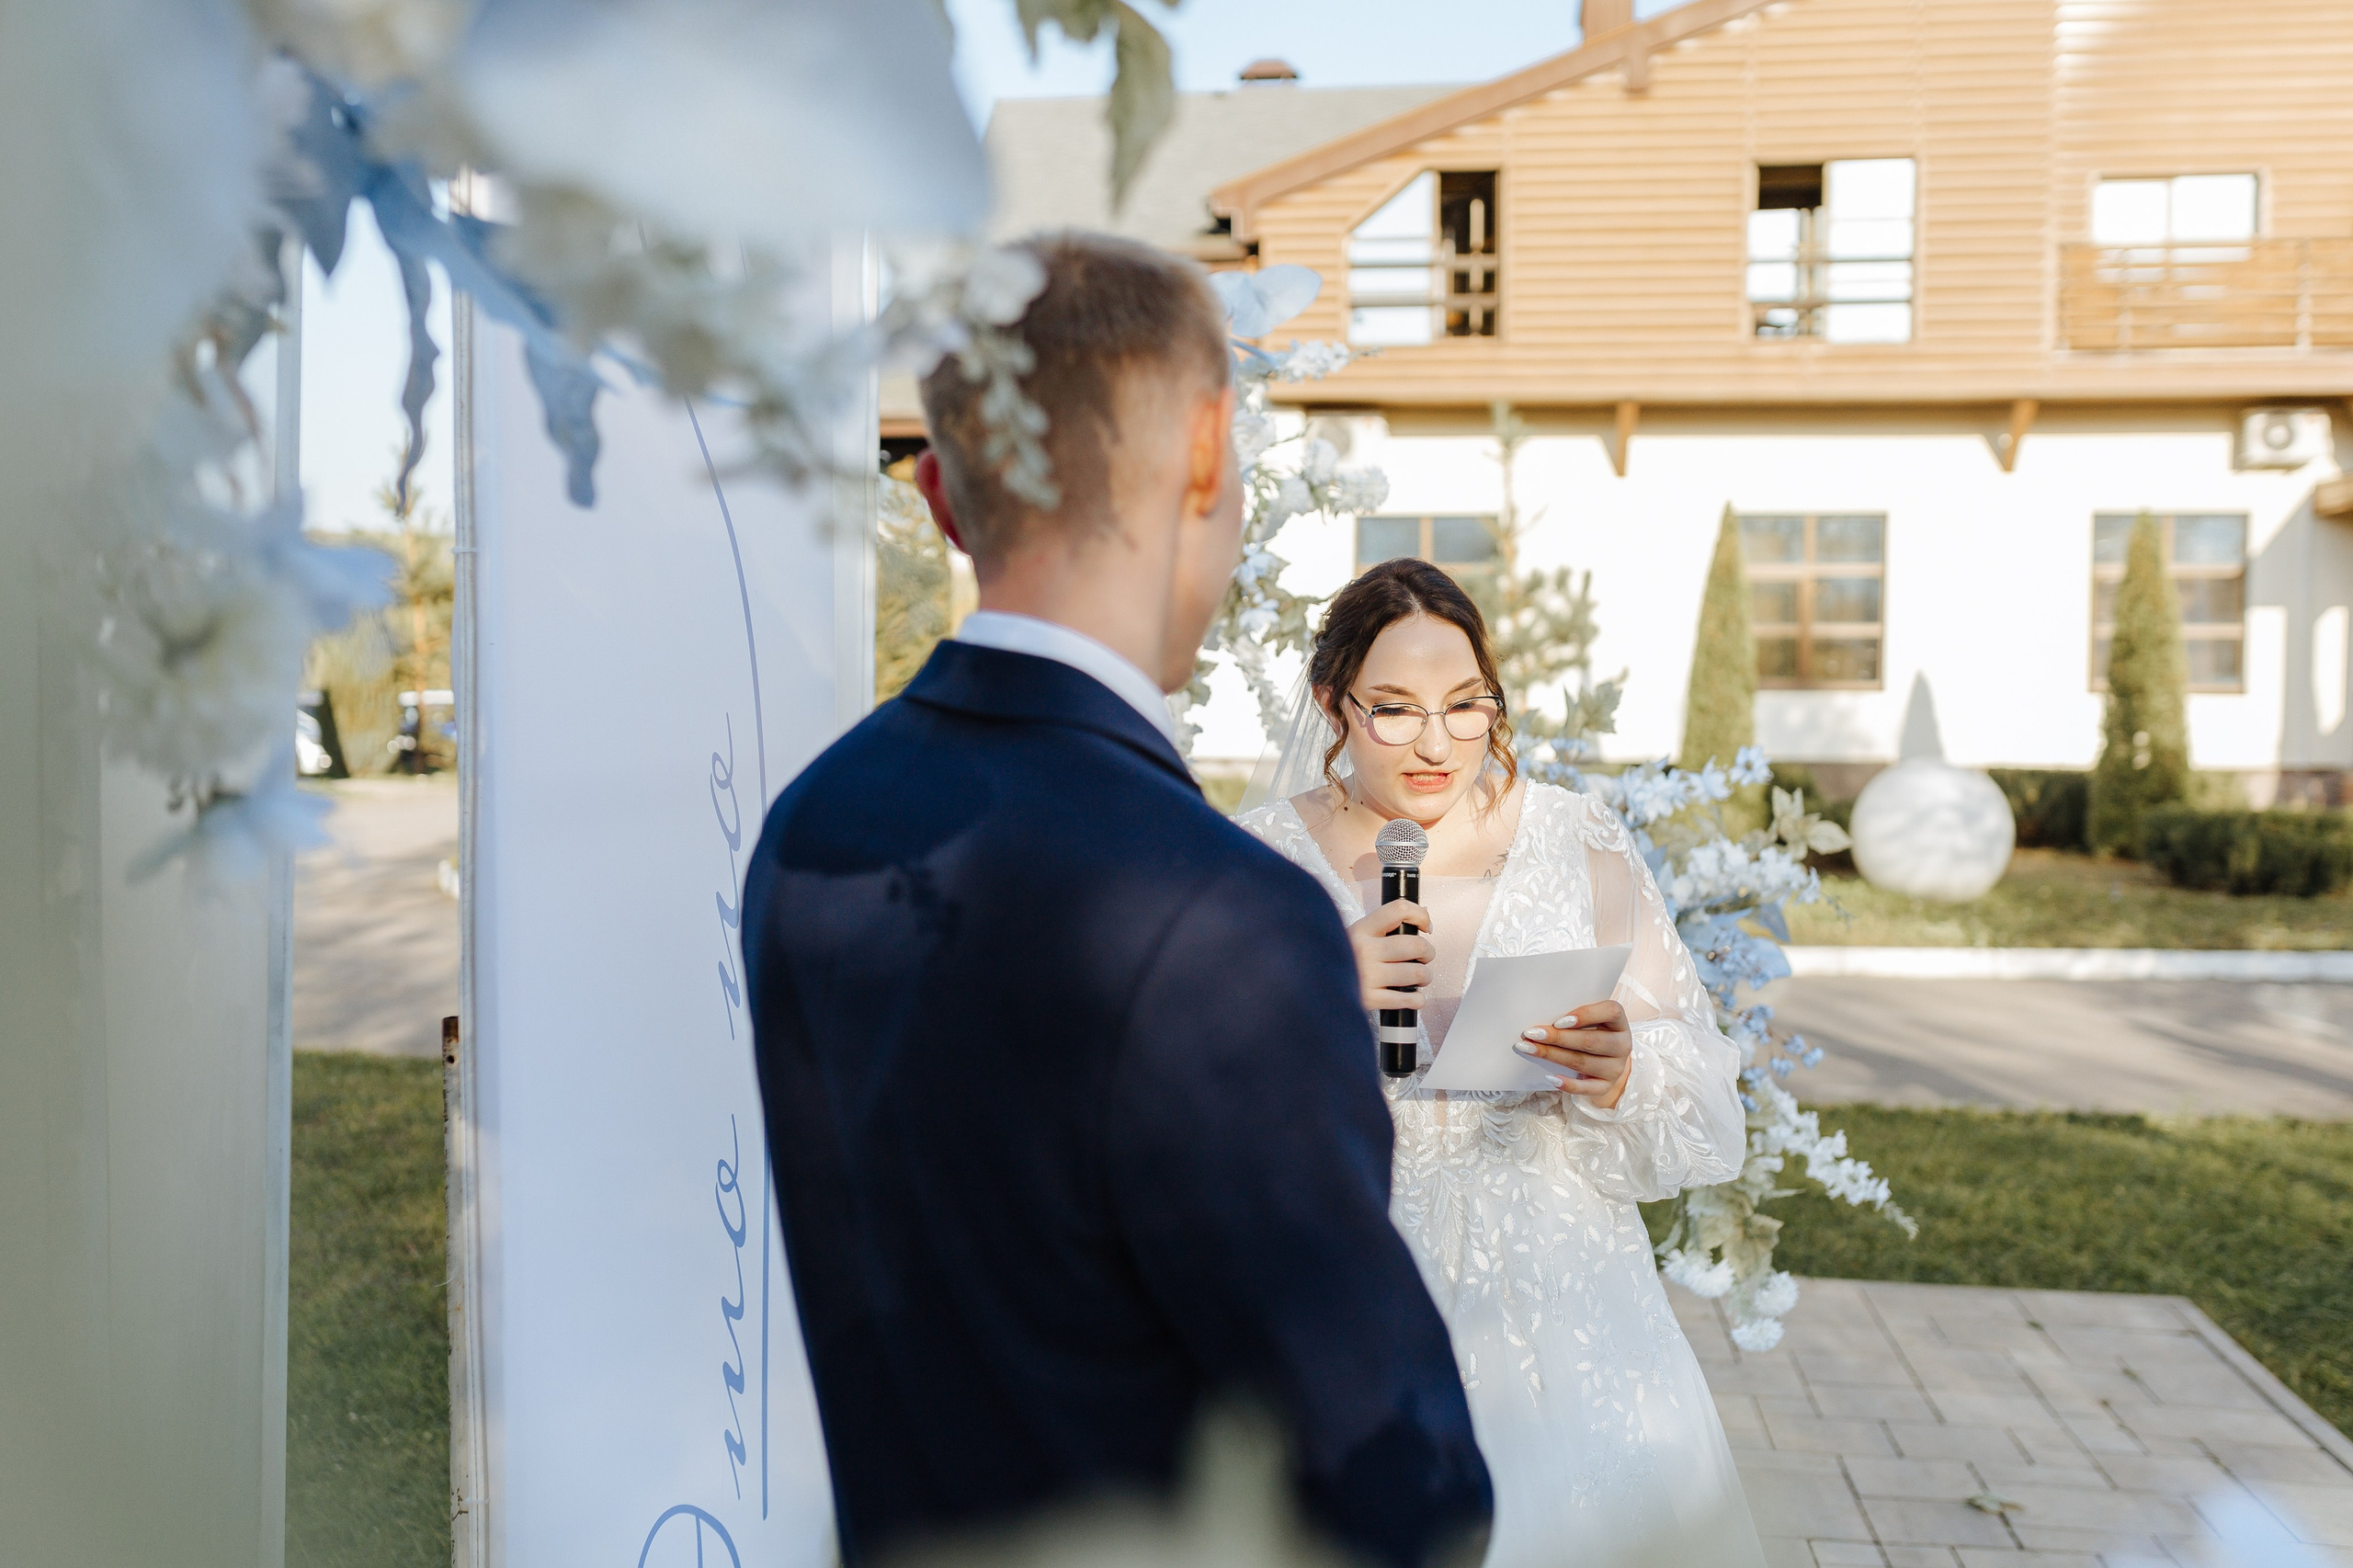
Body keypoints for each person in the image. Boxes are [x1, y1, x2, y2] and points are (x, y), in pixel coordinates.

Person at [741, 233, 1492, 1567]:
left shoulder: (814, 824)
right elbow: (1397, 1481)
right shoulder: (1222, 919)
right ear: (1208, 450)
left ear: (939, 497)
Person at [1235, 557, 1768, 1568]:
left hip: (1569, 1313)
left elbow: (1698, 1076)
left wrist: (1623, 1069)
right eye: (1392, 709)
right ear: (1330, 704)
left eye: (1464, 704)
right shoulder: (1259, 858)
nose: (1436, 742)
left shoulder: (1580, 839)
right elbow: (1192, 1099)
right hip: (1353, 1304)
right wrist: (1314, 986)